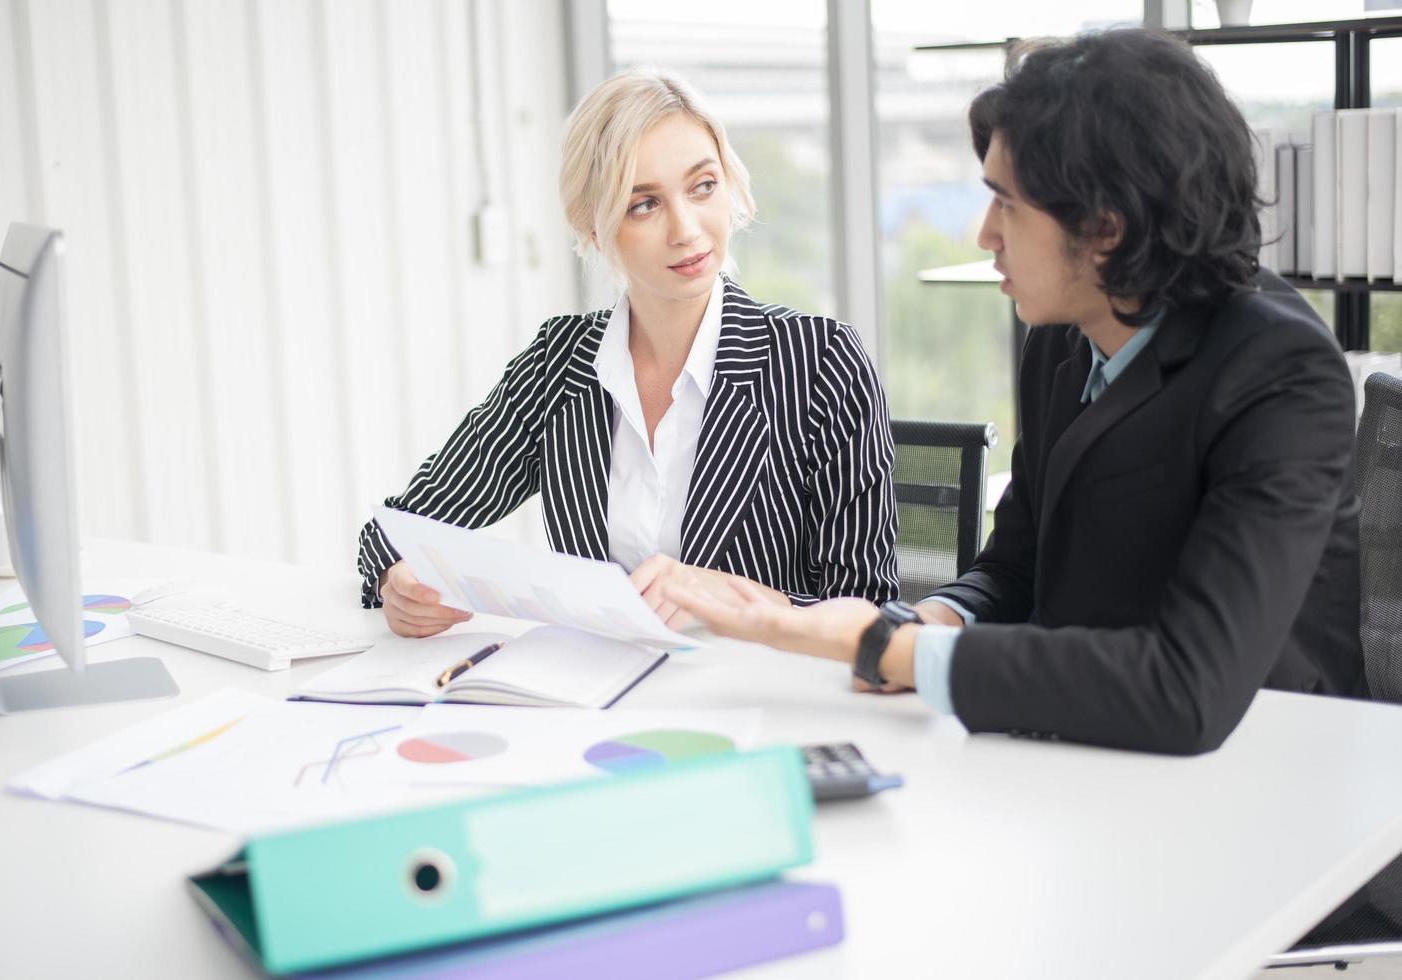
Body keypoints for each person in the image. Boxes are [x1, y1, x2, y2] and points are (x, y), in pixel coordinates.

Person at [667, 29, 1369, 756]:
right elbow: (1016, 564)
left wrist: (893, 653)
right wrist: (927, 623)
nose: (983, 234)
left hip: (1270, 766)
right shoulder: (1065, 335)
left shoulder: (1282, 375)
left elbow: (1187, 687)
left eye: (1007, 205)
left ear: (1105, 229)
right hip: (1083, 742)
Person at [359, 68, 898, 638]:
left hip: (756, 701)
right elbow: (398, 528)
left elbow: (871, 614)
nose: (687, 229)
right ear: (594, 229)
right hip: (597, 698)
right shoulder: (559, 364)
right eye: (644, 204)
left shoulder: (820, 362)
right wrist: (399, 579)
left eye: (703, 186)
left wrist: (739, 600)